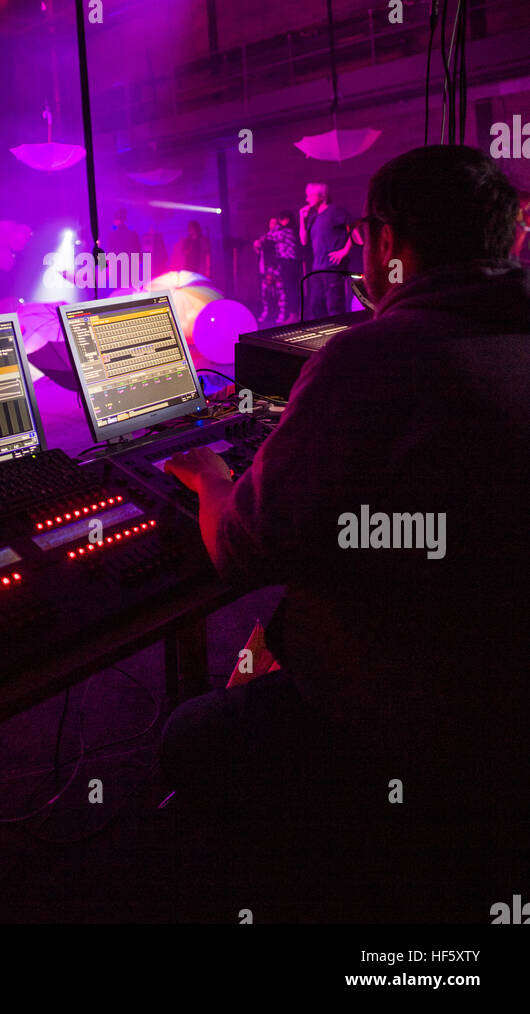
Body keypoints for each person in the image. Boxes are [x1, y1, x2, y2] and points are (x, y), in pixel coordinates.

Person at [162, 146, 529, 849]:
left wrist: (211, 476)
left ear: (385, 244)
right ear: (511, 239)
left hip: (433, 729)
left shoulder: (371, 358)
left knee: (191, 736)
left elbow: (240, 550)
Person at [298, 182, 353, 318]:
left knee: (334, 307)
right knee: (317, 307)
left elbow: (354, 228)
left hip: (332, 268)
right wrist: (302, 219)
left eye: (310, 195)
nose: (307, 199)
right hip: (317, 268)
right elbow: (304, 241)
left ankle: (339, 336)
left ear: (322, 196)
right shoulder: (312, 217)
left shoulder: (334, 212)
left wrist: (344, 251)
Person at [253, 211, 300, 326]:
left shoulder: (285, 231)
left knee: (289, 289)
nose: (277, 224)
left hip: (288, 263)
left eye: (279, 221)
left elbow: (267, 237)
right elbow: (260, 247)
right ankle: (292, 315)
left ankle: (293, 316)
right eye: (273, 222)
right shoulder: (281, 232)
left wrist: (259, 241)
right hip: (283, 264)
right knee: (287, 289)